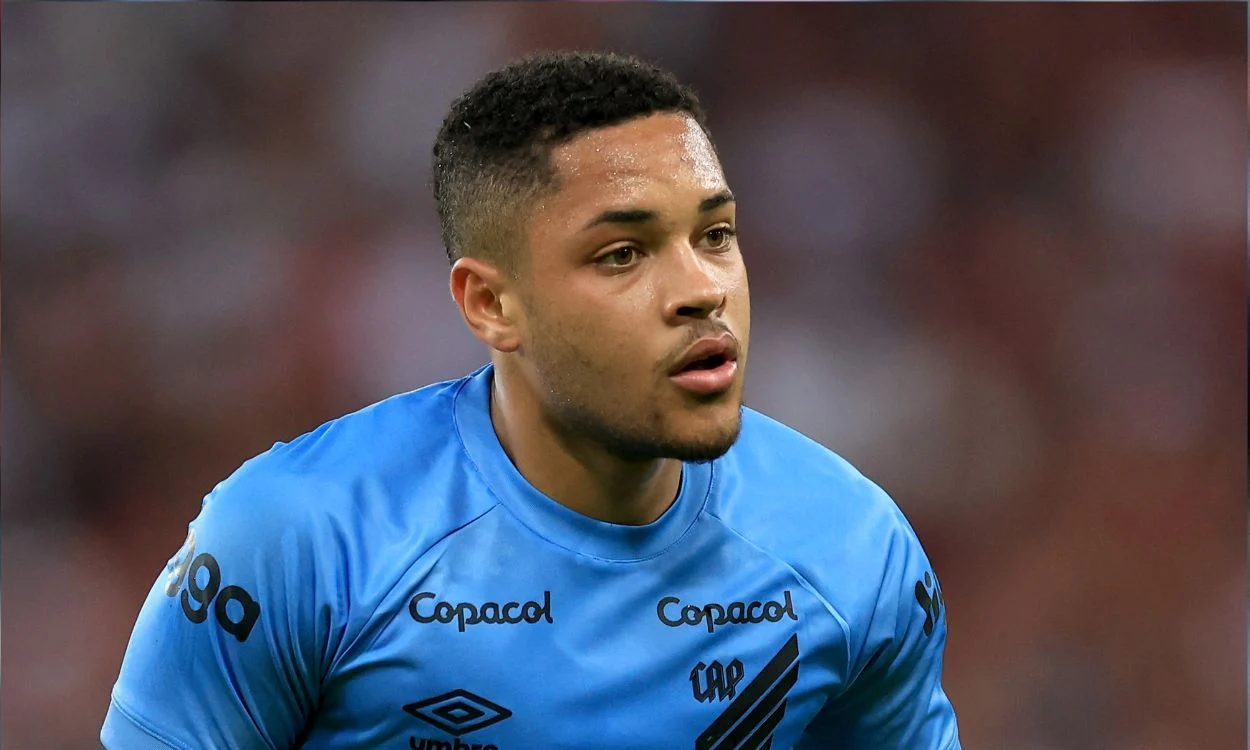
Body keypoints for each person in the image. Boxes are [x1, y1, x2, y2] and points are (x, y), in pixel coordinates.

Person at [102, 50, 961, 749]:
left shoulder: (850, 546)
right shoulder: (300, 536)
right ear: (491, 304)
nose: (702, 289)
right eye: (622, 254)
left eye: (715, 235)